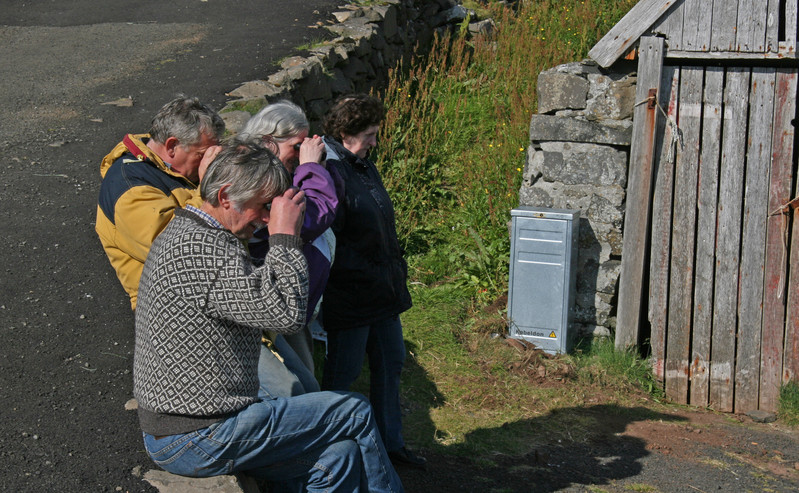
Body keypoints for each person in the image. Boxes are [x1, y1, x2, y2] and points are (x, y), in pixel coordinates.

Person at [134, 141, 404, 492]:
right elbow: (287, 316)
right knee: (353, 411)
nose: (265, 219)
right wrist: (285, 236)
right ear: (227, 195)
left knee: (337, 459)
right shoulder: (205, 253)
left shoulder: (194, 232)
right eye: (263, 206)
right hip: (196, 434)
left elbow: (264, 299)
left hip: (191, 427)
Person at [320, 94, 426, 469]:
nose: (375, 142)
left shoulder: (362, 165)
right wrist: (367, 272)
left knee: (391, 363)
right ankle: (332, 454)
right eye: (369, 134)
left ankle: (389, 447)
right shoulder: (332, 172)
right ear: (346, 133)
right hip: (350, 296)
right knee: (343, 374)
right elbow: (331, 240)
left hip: (381, 291)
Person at [238, 101, 340, 390]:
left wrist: (316, 166)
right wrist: (310, 167)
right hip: (270, 303)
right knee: (298, 390)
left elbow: (333, 200)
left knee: (307, 382)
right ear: (268, 141)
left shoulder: (275, 169)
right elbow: (310, 219)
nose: (301, 152)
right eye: (296, 146)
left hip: (291, 300)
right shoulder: (254, 175)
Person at [96, 95, 224, 310]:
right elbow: (174, 248)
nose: (209, 163)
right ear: (172, 146)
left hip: (201, 296)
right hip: (171, 311)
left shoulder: (169, 169)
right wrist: (207, 188)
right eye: (202, 155)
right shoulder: (129, 188)